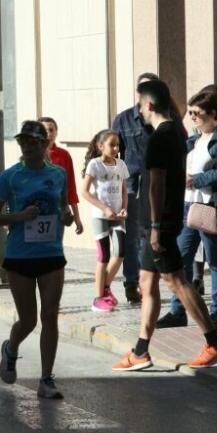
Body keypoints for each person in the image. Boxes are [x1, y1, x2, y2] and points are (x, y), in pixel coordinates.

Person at [111, 79, 217, 371]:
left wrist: (154, 226)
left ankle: (214, 343)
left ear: (149, 104)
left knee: (176, 280)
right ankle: (140, 351)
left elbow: (156, 184)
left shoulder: (161, 136)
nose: (138, 110)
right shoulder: (176, 131)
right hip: (157, 221)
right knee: (147, 281)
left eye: (140, 103)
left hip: (159, 222)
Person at [0, 121, 74, 399]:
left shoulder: (58, 174)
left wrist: (66, 217)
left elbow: (61, 207)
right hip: (20, 255)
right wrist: (19, 217)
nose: (26, 147)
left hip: (51, 253)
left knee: (50, 315)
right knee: (28, 320)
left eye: (32, 142)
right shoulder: (10, 177)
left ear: (44, 145)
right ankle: (11, 349)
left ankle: (46, 379)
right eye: (23, 142)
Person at [157, 87, 217, 329]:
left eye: (196, 113)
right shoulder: (193, 139)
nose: (192, 117)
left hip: (207, 204)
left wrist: (196, 179)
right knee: (181, 258)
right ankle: (178, 310)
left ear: (213, 114)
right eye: (189, 113)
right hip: (187, 203)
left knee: (215, 259)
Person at [110, 72, 162, 305]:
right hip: (130, 184)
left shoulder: (162, 118)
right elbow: (111, 153)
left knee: (153, 233)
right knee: (131, 237)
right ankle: (131, 284)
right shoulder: (122, 120)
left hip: (155, 182)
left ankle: (151, 280)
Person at [80, 129, 128, 313]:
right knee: (104, 256)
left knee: (120, 252)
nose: (116, 148)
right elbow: (84, 192)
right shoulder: (95, 165)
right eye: (112, 145)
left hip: (118, 217)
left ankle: (105, 287)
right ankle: (99, 297)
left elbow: (124, 190)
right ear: (101, 146)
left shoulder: (121, 165)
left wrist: (124, 208)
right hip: (101, 217)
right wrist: (104, 208)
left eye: (118, 145)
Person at [39, 117, 84, 238]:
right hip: (36, 211)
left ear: (56, 133)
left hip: (57, 211)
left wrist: (77, 218)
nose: (48, 133)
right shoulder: (31, 155)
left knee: (54, 248)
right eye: (44, 130)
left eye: (51, 130)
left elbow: (71, 187)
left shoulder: (64, 155)